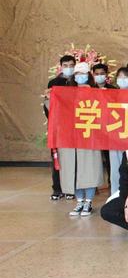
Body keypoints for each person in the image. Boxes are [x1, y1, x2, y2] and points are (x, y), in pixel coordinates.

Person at [60, 62, 103, 217]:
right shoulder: (66, 92)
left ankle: (88, 202)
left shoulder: (97, 91)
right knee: (75, 169)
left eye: (83, 74)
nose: (80, 77)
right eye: (77, 74)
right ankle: (79, 201)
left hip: (89, 135)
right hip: (70, 137)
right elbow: (56, 109)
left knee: (89, 169)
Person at [45, 54, 75, 200]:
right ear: (61, 67)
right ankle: (57, 188)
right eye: (66, 65)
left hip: (75, 127)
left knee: (72, 159)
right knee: (58, 158)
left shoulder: (78, 82)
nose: (69, 68)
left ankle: (71, 188)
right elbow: (49, 105)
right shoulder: (54, 83)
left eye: (71, 65)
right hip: (58, 127)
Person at [108, 67, 128, 195]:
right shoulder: (111, 95)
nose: (123, 80)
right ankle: (115, 195)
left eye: (126, 77)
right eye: (120, 77)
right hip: (115, 136)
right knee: (115, 168)